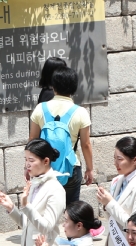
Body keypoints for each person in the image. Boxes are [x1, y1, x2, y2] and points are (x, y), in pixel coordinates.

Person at [28, 67, 93, 204]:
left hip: (45, 168)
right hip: (71, 168)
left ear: (53, 86)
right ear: (74, 87)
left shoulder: (40, 109)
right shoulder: (80, 112)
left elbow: (32, 140)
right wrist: (90, 169)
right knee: (71, 211)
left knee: (45, 211)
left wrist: (28, 165)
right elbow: (86, 144)